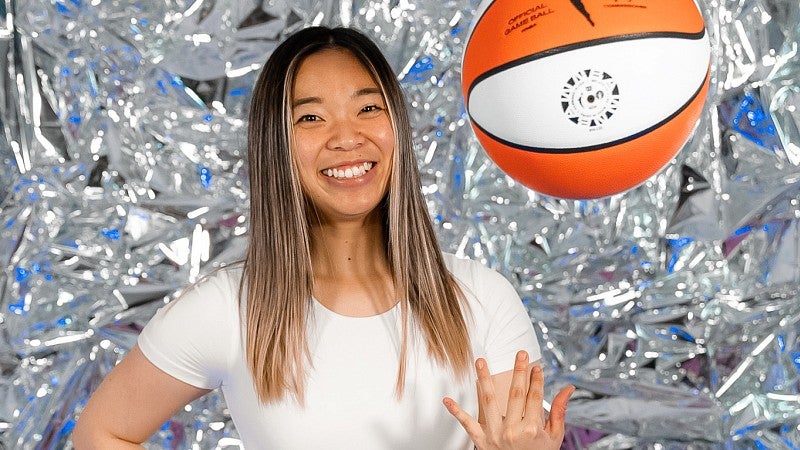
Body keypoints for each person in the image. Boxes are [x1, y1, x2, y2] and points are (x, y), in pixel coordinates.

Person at [72, 26, 573, 449]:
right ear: (276, 145)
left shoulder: (481, 298)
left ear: (396, 125)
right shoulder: (228, 308)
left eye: (368, 109)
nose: (346, 136)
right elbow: (102, 432)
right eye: (310, 117)